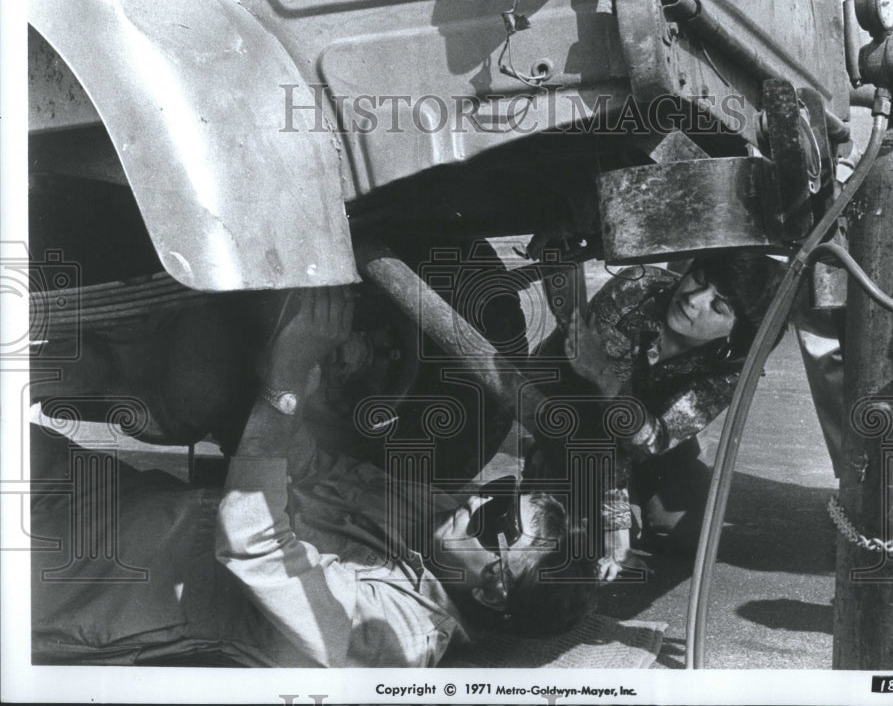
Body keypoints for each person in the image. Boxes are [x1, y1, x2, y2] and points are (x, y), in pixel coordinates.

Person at [31, 287, 598, 667]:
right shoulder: (435, 522)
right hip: (111, 497)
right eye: (501, 492)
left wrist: (282, 385)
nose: (477, 499)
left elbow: (253, 540)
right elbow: (310, 468)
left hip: (84, 582)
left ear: (495, 587)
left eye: (499, 516)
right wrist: (301, 362)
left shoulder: (397, 638)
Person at [526, 250, 785, 579]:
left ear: (736, 337)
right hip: (572, 405)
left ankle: (617, 492)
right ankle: (546, 461)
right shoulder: (638, 287)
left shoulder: (735, 369)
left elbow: (657, 439)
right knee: (577, 542)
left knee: (688, 536)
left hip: (644, 432)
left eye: (717, 307)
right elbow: (600, 413)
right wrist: (615, 534)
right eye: (699, 279)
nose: (693, 299)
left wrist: (606, 379)